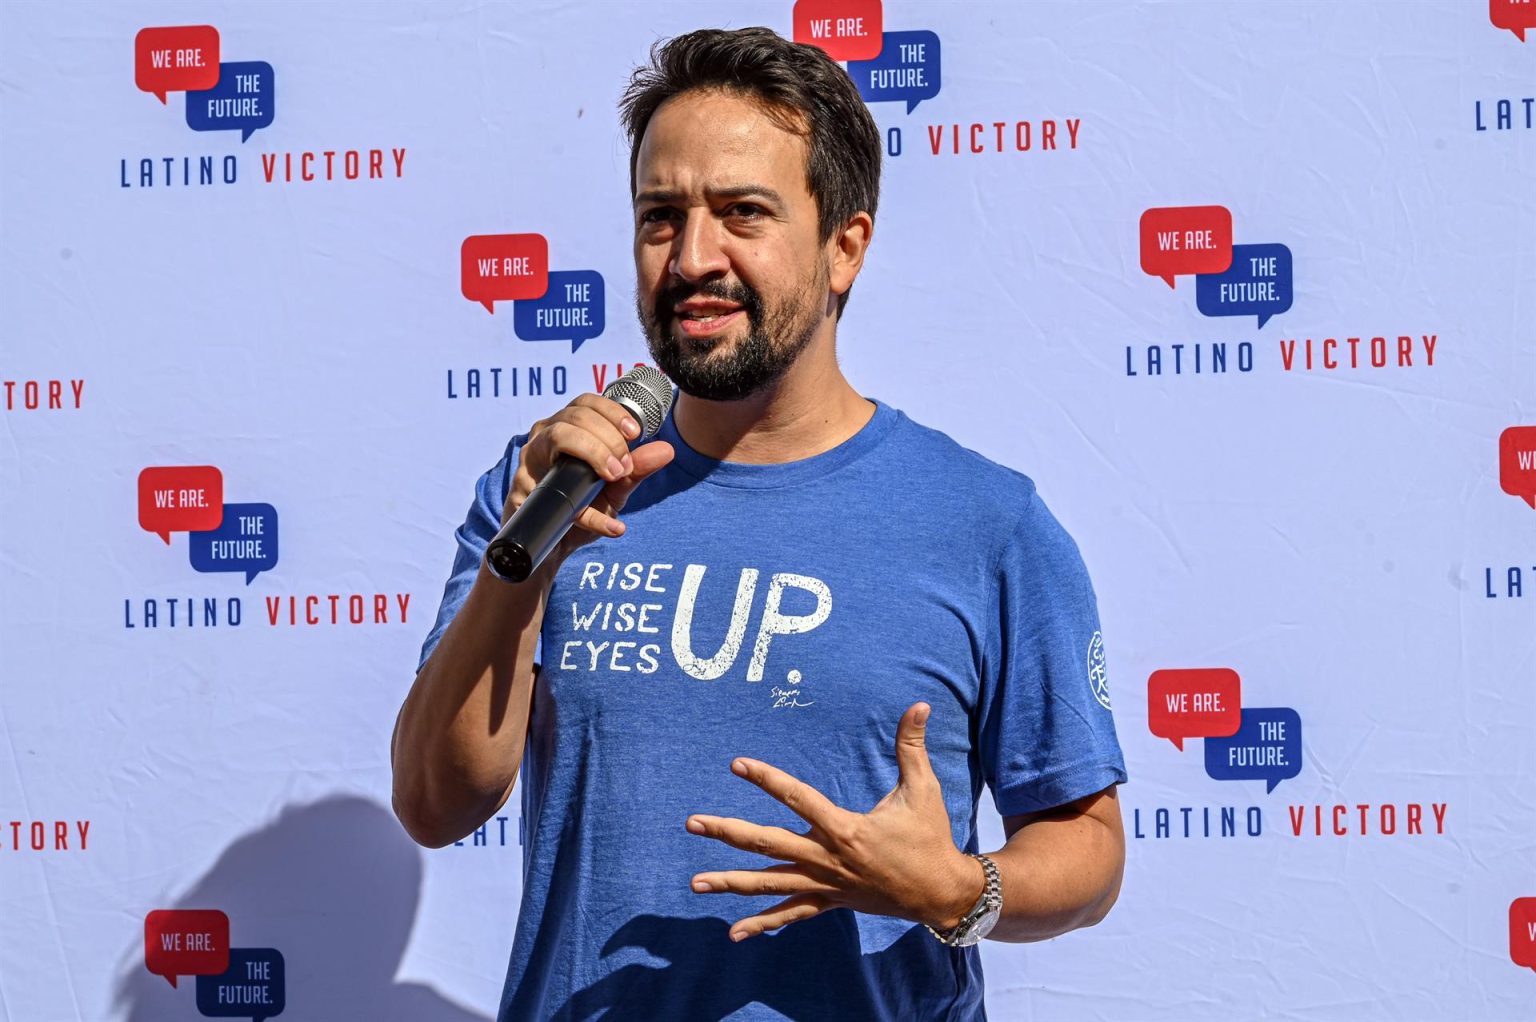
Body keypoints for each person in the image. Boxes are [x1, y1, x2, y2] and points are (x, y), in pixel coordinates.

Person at [392, 26, 1127, 1021]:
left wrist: (958, 886)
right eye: (661, 218)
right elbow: (439, 801)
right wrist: (519, 569)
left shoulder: (985, 523)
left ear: (844, 248)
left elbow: (1087, 845)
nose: (695, 258)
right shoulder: (547, 484)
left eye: (743, 214)